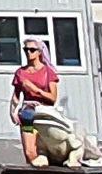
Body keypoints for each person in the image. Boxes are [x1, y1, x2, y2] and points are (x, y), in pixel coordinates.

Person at [8, 37, 73, 167]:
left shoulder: (48, 72)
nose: (28, 53)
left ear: (40, 52)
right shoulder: (21, 72)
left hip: (44, 114)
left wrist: (35, 89)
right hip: (27, 113)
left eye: (32, 50)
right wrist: (12, 112)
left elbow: (52, 97)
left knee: (47, 152)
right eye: (26, 50)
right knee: (29, 152)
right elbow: (16, 95)